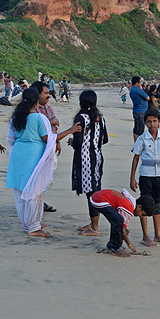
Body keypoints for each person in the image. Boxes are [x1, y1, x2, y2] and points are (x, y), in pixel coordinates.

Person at [5, 89, 80, 237]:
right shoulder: (39, 118)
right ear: (37, 102)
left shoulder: (16, 117)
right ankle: (33, 226)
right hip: (33, 154)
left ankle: (28, 224)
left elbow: (11, 139)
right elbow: (49, 139)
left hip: (19, 154)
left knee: (21, 190)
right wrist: (70, 131)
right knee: (34, 190)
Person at [130, 109, 160, 247]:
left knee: (157, 203)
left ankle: (158, 234)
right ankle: (145, 236)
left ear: (159, 122)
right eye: (149, 122)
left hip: (159, 176)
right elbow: (136, 157)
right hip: (145, 176)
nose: (152, 124)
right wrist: (132, 178)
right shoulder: (142, 139)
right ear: (145, 123)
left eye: (155, 121)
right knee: (144, 204)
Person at [71, 90, 109, 236]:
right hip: (98, 157)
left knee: (91, 192)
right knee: (95, 188)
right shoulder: (100, 118)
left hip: (85, 159)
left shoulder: (81, 118)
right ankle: (93, 223)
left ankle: (95, 228)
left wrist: (73, 142)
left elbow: (78, 141)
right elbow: (105, 139)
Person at [88, 188, 155, 257]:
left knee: (117, 221)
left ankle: (112, 245)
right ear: (139, 207)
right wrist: (130, 244)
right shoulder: (129, 209)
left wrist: (123, 228)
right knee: (118, 222)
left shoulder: (131, 200)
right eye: (142, 214)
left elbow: (123, 193)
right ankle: (116, 248)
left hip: (97, 196)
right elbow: (121, 227)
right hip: (98, 200)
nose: (141, 216)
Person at [32, 81, 60, 213]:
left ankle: (40, 200)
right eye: (46, 93)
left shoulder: (48, 108)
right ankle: (37, 202)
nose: (48, 96)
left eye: (49, 93)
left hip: (50, 144)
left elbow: (54, 126)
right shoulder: (34, 109)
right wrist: (52, 121)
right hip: (39, 146)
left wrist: (57, 142)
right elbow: (38, 126)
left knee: (45, 175)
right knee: (38, 175)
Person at [129, 76, 150, 142]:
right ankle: (138, 146)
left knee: (136, 129)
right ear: (137, 82)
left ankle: (136, 144)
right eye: (140, 82)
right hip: (141, 111)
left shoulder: (132, 90)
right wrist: (141, 89)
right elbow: (147, 98)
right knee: (140, 130)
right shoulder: (138, 90)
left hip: (136, 110)